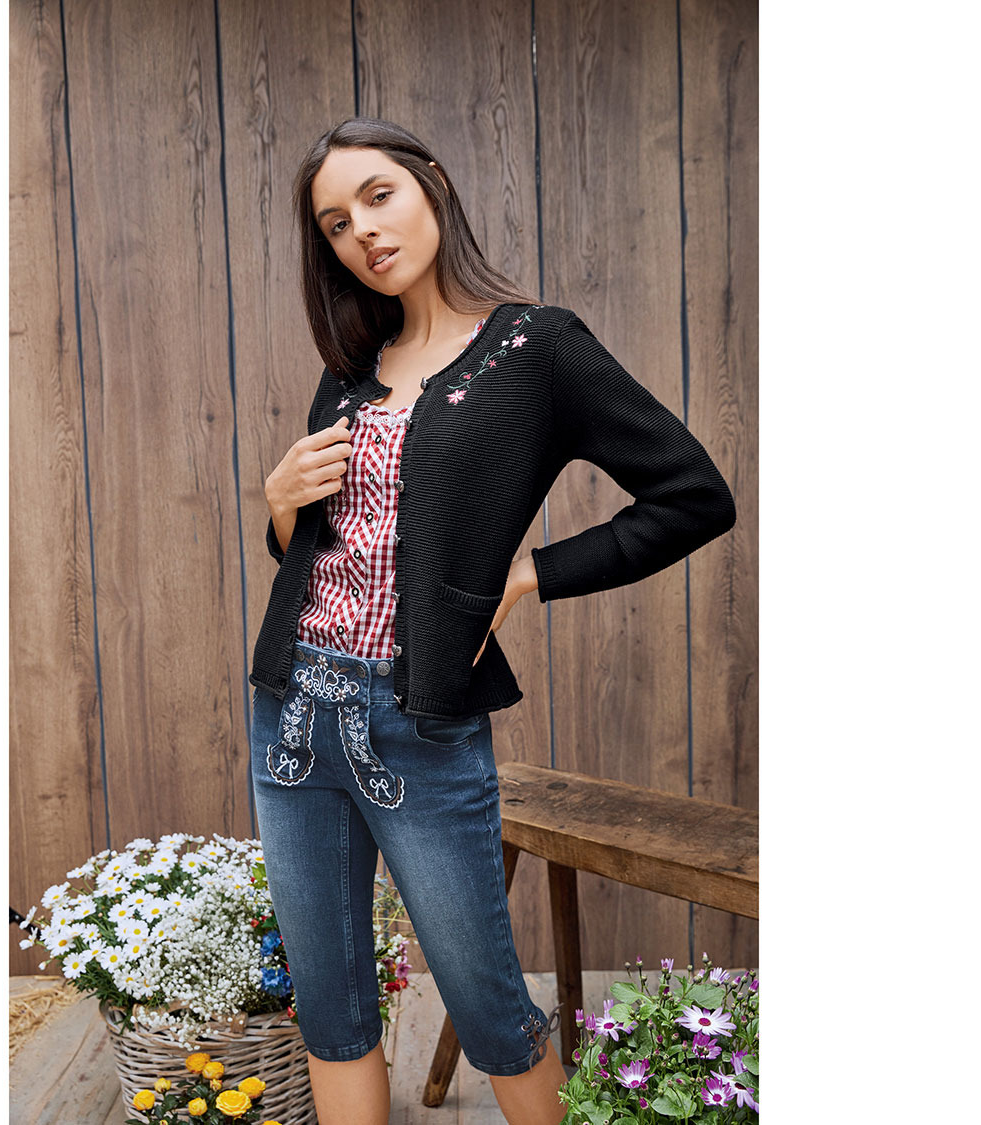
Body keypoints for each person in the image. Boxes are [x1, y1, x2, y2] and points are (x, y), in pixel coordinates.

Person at [248, 117, 736, 1125]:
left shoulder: (535, 346)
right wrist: (279, 502)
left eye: (378, 196)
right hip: (291, 709)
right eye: (335, 223)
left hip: (415, 722)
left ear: (430, 183)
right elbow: (322, 543)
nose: (361, 231)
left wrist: (527, 576)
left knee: (488, 1007)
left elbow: (694, 496)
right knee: (330, 1008)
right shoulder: (354, 363)